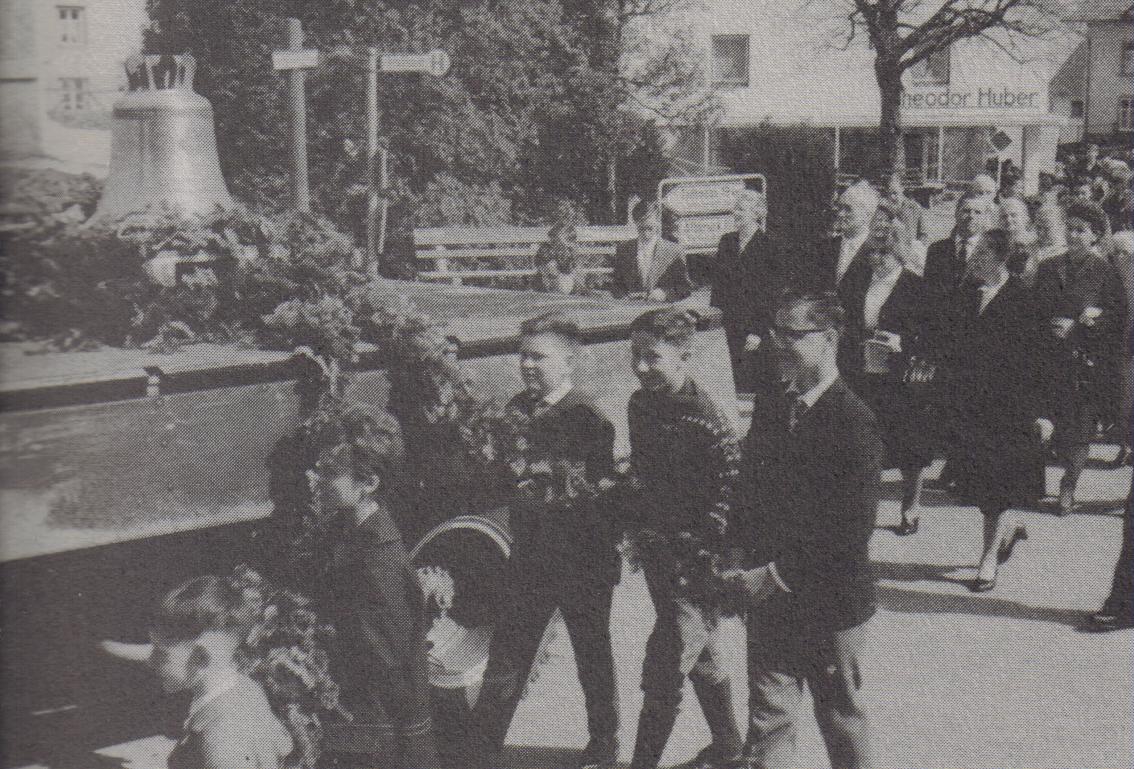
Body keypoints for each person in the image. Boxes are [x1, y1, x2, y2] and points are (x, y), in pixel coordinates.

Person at [728, 290, 883, 769]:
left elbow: (850, 528)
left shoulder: (854, 421)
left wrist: (773, 575)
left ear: (829, 339)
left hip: (830, 602)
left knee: (840, 717)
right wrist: (737, 555)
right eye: (775, 332)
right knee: (769, 722)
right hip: (770, 600)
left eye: (791, 334)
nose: (778, 343)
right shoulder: (776, 403)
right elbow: (750, 488)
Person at [468, 313, 620, 769]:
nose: (528, 365)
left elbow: (598, 495)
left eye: (539, 357)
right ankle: (482, 745)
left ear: (570, 362)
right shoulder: (515, 410)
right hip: (531, 558)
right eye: (523, 356)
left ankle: (604, 742)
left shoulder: (587, 418)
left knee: (591, 653)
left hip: (582, 562)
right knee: (508, 655)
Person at [619, 307, 745, 769]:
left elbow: (730, 494)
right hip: (658, 553)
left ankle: (642, 764)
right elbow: (646, 474)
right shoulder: (641, 404)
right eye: (635, 355)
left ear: (685, 356)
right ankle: (729, 745)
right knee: (703, 655)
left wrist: (703, 561)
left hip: (694, 564)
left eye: (652, 357)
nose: (641, 367)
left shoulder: (704, 417)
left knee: (666, 666)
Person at [311, 406, 441, 769]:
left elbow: (385, 651)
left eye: (330, 475)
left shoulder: (376, 556)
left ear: (369, 484)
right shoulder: (351, 531)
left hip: (381, 707)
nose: (318, 482)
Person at [934, 230, 1045, 592]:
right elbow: (948, 346)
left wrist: (1042, 413)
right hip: (969, 407)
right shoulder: (963, 296)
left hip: (1008, 409)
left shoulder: (1025, 301)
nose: (972, 259)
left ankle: (987, 560)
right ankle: (1006, 532)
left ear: (1000, 259)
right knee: (978, 485)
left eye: (981, 253)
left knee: (995, 485)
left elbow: (1039, 363)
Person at [102, 575, 294, 769]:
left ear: (201, 657)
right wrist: (102, 646)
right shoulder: (244, 688)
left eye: (160, 653)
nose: (152, 662)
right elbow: (281, 744)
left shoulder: (221, 735)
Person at [841, 202, 934, 534]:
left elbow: (930, 335)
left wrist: (903, 344)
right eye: (872, 253)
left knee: (908, 445)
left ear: (899, 253)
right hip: (864, 372)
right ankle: (864, 507)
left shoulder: (915, 286)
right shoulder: (860, 280)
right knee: (866, 441)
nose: (875, 260)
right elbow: (846, 316)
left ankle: (911, 505)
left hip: (901, 377)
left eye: (883, 253)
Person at [1034, 200, 1129, 515]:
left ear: (1095, 236)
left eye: (1081, 230)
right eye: (1070, 229)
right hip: (1048, 359)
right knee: (1047, 423)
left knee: (1079, 430)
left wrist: (1084, 323)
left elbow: (1117, 318)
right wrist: (1048, 323)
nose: (1073, 236)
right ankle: (1035, 480)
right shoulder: (1049, 267)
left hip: (1085, 363)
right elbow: (1033, 308)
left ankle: (1068, 486)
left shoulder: (1106, 273)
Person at [708, 189, 792, 394]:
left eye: (741, 209)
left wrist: (758, 330)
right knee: (728, 382)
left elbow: (772, 294)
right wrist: (713, 321)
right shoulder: (727, 242)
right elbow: (718, 286)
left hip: (753, 331)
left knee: (751, 384)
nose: (736, 213)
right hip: (727, 325)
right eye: (735, 209)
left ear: (757, 213)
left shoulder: (770, 246)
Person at [795, 180, 880, 296]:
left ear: (868, 214)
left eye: (848, 209)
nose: (840, 214)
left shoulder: (879, 251)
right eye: (840, 208)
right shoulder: (825, 247)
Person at [610, 200, 693, 302]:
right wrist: (624, 297)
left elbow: (685, 288)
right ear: (635, 224)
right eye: (641, 229)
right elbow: (617, 285)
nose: (646, 234)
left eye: (650, 228)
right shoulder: (623, 249)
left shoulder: (674, 251)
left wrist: (664, 294)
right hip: (631, 311)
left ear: (658, 223)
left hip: (663, 310)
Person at [999, 197, 1039, 285]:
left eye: (1013, 215)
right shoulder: (998, 245)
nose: (1008, 220)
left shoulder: (1035, 244)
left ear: (1025, 217)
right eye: (1004, 216)